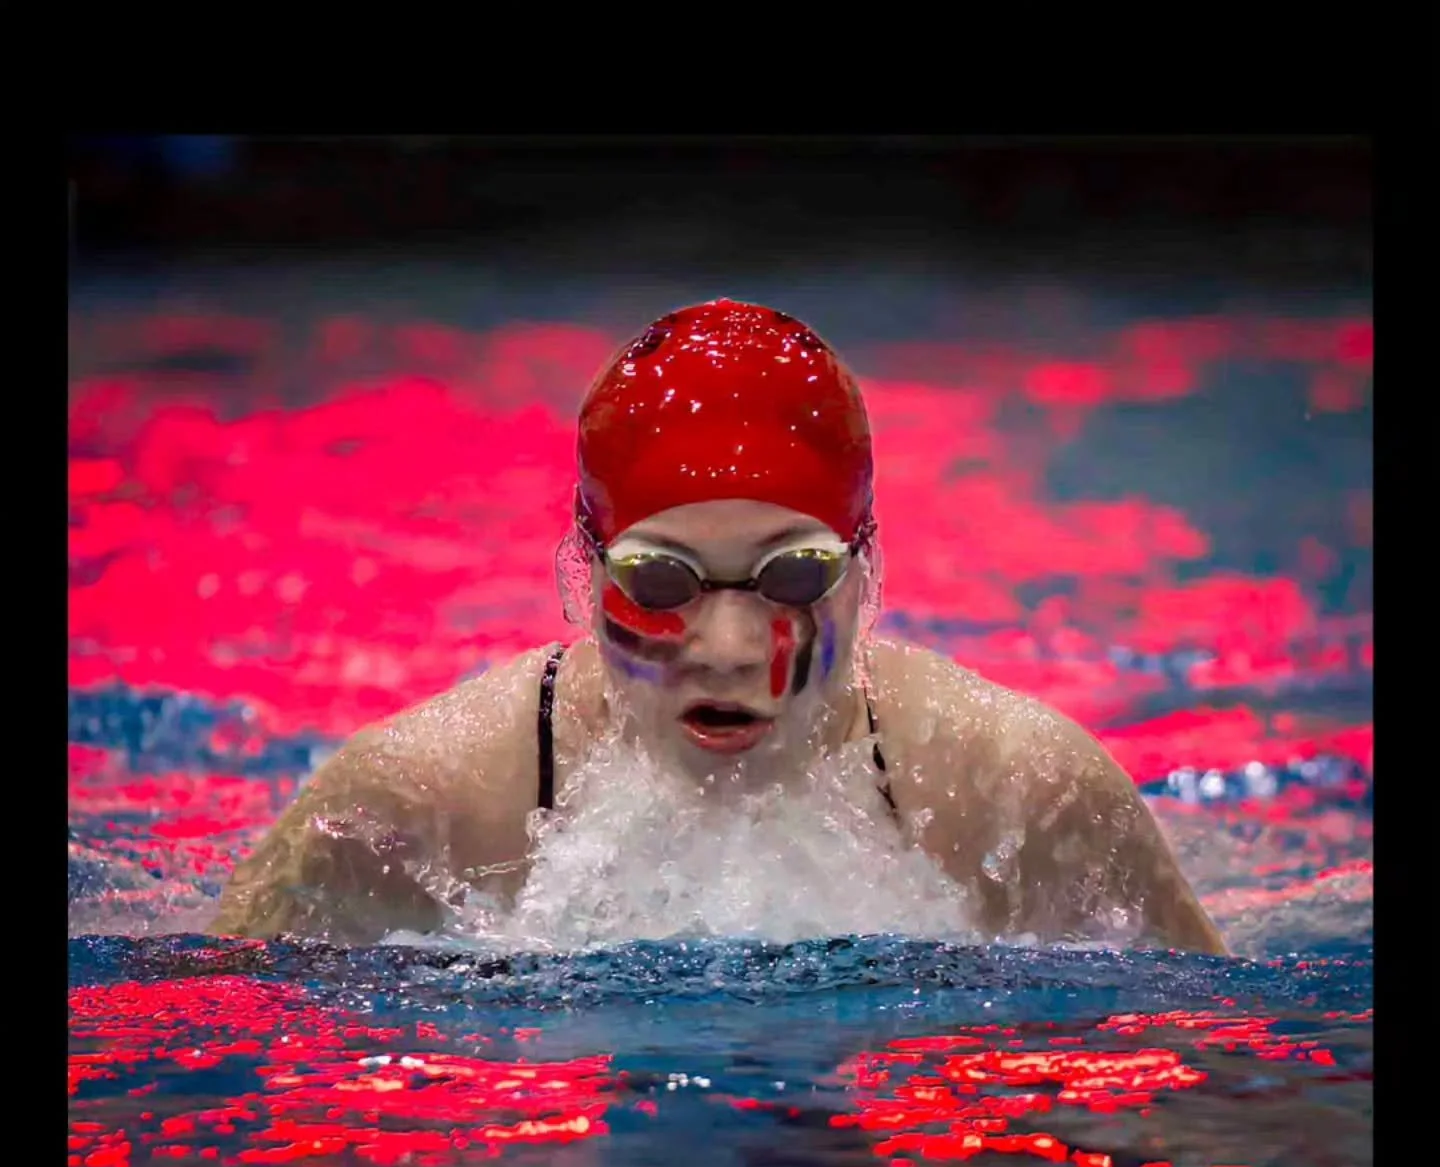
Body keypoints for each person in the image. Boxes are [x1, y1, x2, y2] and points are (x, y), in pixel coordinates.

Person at [212, 298, 1226, 954]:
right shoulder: (418, 803)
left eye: (793, 576)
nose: (733, 648)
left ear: (866, 567)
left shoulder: (1017, 792)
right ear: (584, 569)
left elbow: (1212, 1102)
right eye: (662, 582)